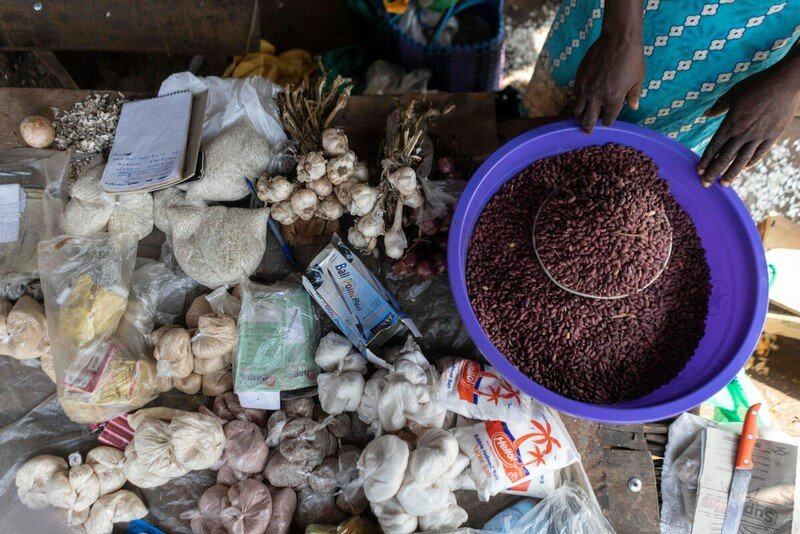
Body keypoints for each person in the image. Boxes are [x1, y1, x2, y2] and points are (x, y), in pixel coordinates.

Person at [525, 0, 800, 186]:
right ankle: (525, 138)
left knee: (636, 163)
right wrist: (621, 34)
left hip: (755, 39)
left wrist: (789, 82)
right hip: (625, 12)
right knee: (571, 96)